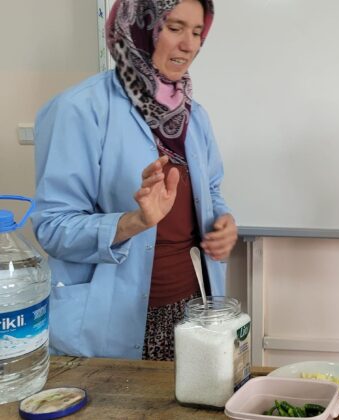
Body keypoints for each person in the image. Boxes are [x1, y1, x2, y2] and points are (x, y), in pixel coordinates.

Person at [31, 0, 237, 361]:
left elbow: (213, 190)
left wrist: (223, 223)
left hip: (194, 313)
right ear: (139, 28)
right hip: (112, 326)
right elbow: (52, 228)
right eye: (174, 28)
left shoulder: (193, 115)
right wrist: (134, 222)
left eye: (197, 32)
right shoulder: (79, 109)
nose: (189, 44)